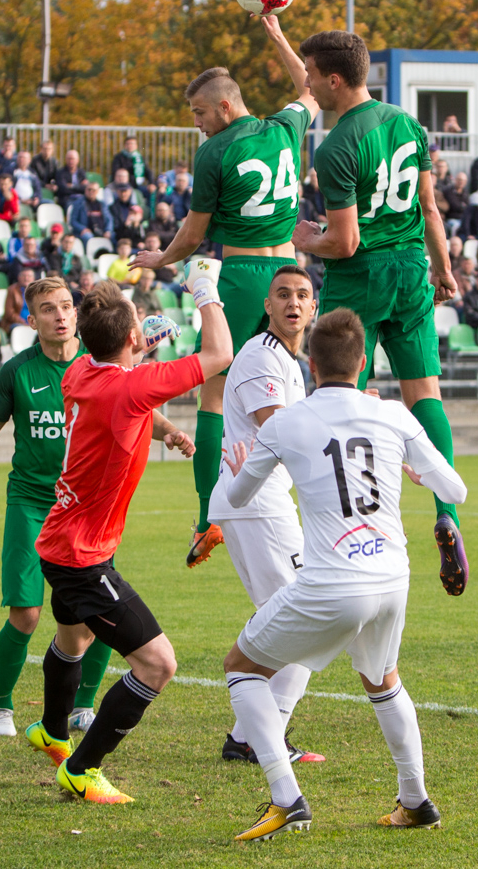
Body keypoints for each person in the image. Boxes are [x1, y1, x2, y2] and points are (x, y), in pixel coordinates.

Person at [219, 308, 465, 840]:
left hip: (333, 581)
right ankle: (416, 798)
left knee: (241, 667)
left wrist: (238, 472)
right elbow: (456, 490)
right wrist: (415, 471)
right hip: (392, 578)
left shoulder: (287, 420)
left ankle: (286, 798)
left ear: (310, 363)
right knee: (382, 679)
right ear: (364, 363)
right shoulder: (394, 414)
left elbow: (238, 496)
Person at [24, 275, 226, 806]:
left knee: (76, 641)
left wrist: (139, 342)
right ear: (132, 340)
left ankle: (51, 730)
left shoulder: (81, 370)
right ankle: (81, 769)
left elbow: (124, 383)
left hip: (61, 540)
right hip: (83, 558)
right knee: (158, 664)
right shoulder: (131, 384)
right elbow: (219, 352)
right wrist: (206, 289)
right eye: (137, 324)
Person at [127, 14, 314, 569]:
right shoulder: (284, 128)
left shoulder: (214, 152)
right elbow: (308, 87)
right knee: (287, 393)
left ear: (225, 107)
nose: (198, 123)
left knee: (214, 395)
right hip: (293, 282)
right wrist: (278, 36)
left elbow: (193, 230)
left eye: (200, 112)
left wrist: (162, 258)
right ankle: (300, 501)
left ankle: (211, 513)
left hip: (240, 279)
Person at [290, 27, 467, 595]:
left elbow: (343, 243)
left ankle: (349, 530)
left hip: (359, 280)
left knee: (339, 403)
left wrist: (303, 237)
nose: (310, 86)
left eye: (313, 76)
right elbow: (432, 209)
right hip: (413, 268)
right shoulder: (408, 124)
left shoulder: (337, 146)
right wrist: (443, 270)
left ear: (335, 79)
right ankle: (448, 513)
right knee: (426, 395)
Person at [0, 277, 117, 738]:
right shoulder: (18, 371)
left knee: (96, 612)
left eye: (65, 307)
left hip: (85, 507)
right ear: (30, 319)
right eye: (47, 309)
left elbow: (134, 407)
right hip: (31, 502)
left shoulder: (99, 365)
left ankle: (83, 705)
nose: (59, 315)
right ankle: (1, 708)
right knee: (27, 613)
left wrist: (171, 432)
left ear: (77, 314)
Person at [202, 266, 328, 765]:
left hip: (265, 501)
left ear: (312, 307)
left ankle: (249, 736)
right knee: (303, 620)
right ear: (268, 305)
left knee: (294, 620)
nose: (293, 303)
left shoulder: (288, 361)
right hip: (255, 502)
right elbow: (278, 433)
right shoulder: (259, 355)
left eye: (302, 295)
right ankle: (258, 737)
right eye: (283, 295)